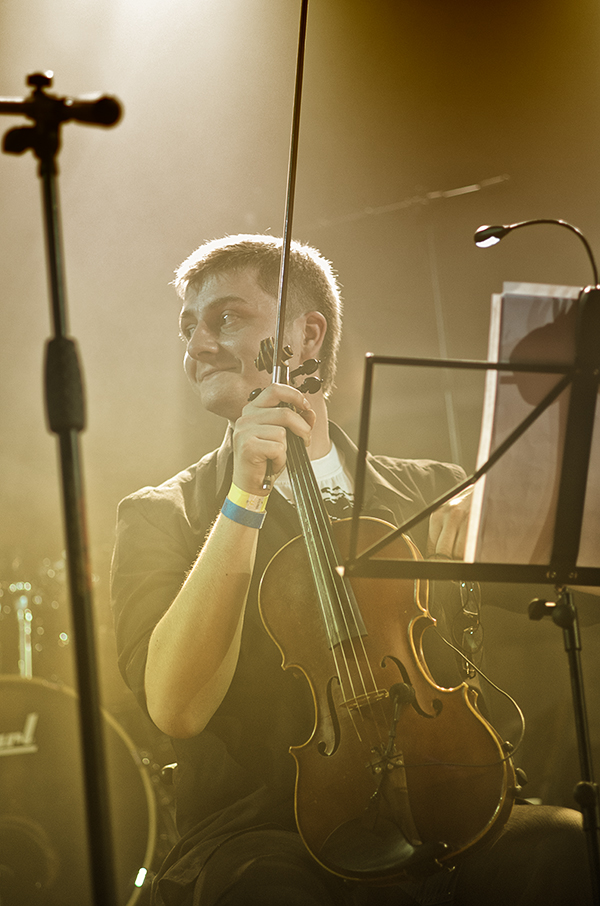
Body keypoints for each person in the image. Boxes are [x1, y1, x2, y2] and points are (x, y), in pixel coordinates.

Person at [111, 235, 592, 906]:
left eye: (227, 318)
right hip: (261, 830)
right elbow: (177, 708)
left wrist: (519, 518)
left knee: (567, 846)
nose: (196, 346)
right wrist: (244, 494)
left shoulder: (433, 489)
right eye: (188, 327)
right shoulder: (160, 515)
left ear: (308, 336)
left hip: (453, 802)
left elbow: (585, 593)